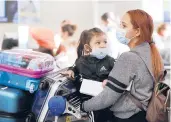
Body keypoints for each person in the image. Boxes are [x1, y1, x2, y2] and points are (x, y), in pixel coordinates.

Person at [78, 9, 163, 122]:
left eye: (124, 26)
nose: (119, 29)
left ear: (137, 32)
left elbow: (108, 98)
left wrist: (83, 106)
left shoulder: (129, 57)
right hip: (144, 113)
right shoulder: (151, 53)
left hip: (128, 117)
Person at [62, 27, 115, 122]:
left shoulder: (110, 60)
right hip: (90, 102)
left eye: (105, 42)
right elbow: (73, 68)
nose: (103, 45)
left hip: (107, 100)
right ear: (87, 47)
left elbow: (119, 74)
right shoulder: (81, 61)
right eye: (98, 43)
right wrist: (71, 71)